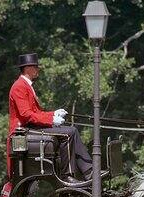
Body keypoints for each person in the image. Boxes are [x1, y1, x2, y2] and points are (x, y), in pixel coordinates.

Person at [8, 53, 94, 184]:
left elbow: (36, 112)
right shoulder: (19, 86)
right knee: (68, 133)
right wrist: (51, 120)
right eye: (36, 67)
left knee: (72, 130)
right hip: (24, 130)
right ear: (28, 69)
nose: (38, 70)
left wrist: (53, 114)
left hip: (30, 127)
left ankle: (88, 171)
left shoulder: (26, 85)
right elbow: (26, 114)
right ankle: (67, 175)